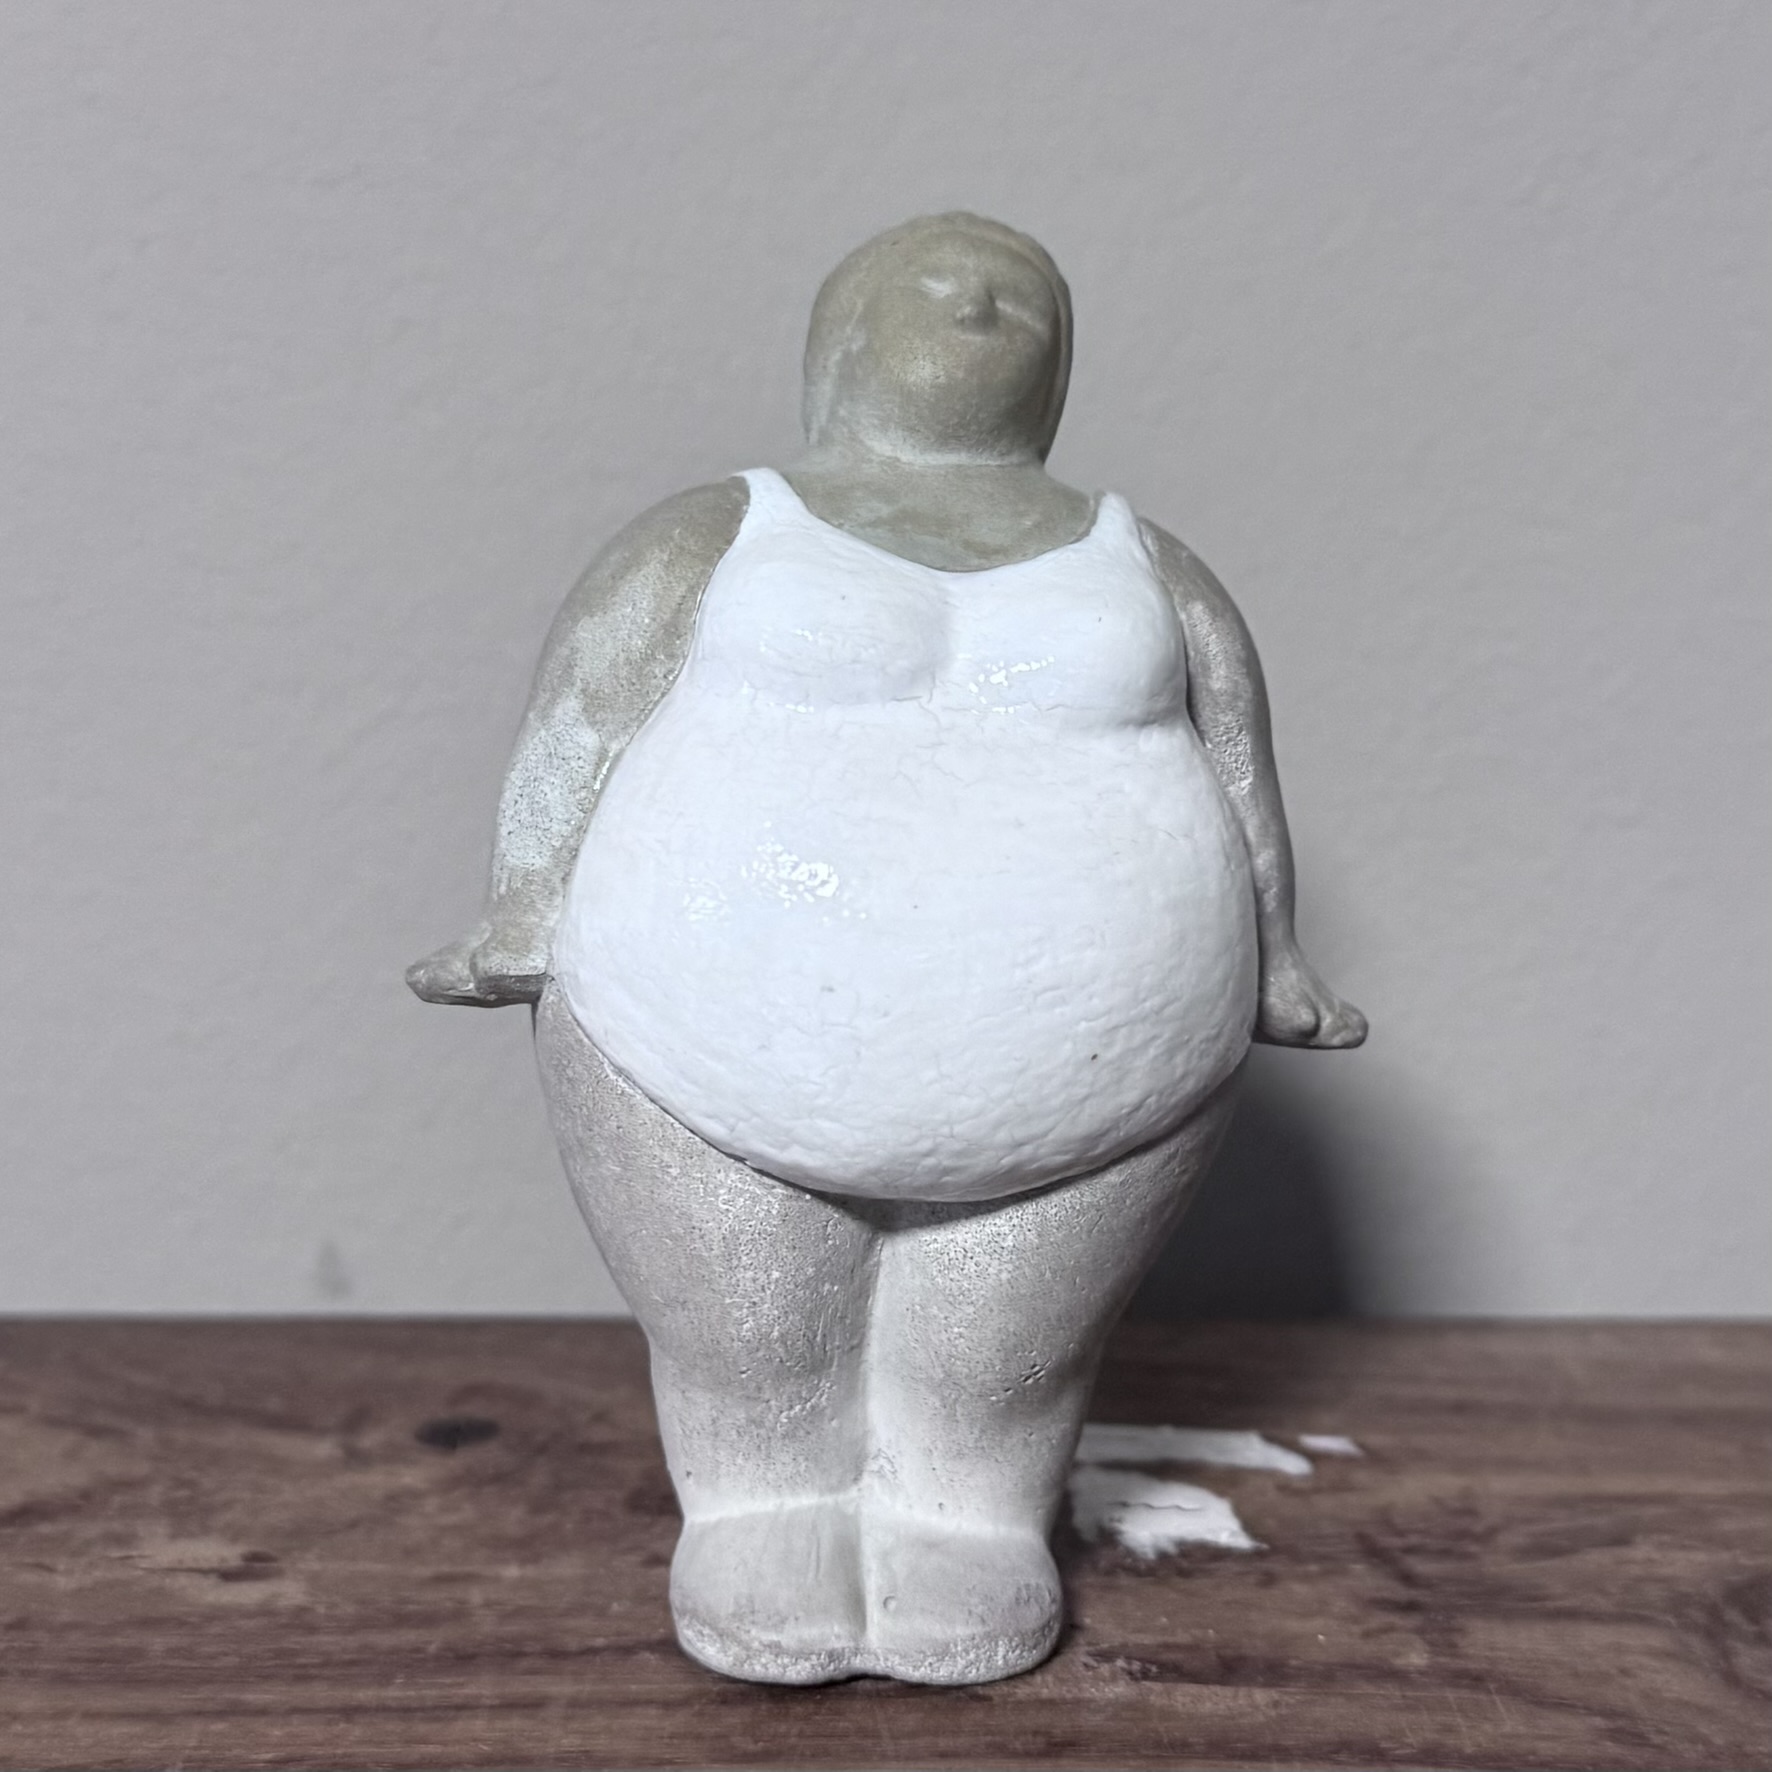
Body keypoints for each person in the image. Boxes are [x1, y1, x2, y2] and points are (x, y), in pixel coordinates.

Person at [409, 212, 1365, 1685]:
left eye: (1020, 296)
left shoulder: (1145, 560)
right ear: (840, 339)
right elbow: (585, 704)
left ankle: (972, 1518)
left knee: (1003, 1364)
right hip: (694, 1048)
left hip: (1110, 1085)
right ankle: (759, 1511)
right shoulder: (721, 529)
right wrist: (523, 900)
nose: (978, 301)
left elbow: (1237, 753)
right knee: (752, 1341)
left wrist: (1278, 953)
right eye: (934, 281)